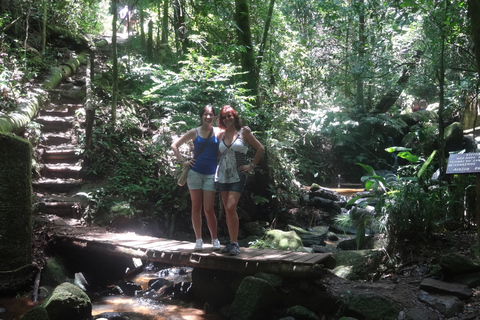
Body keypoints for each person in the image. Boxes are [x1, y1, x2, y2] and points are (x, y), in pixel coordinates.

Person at [215, 105, 265, 255]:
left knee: (231, 207)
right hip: (223, 174)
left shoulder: (244, 132)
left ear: (235, 117)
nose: (227, 119)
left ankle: (235, 243)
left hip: (238, 174)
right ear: (222, 120)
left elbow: (260, 148)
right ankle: (231, 242)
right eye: (224, 117)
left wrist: (251, 166)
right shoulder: (220, 135)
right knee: (227, 210)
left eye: (230, 116)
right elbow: (218, 155)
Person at [171, 105, 221, 251]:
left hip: (211, 174)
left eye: (211, 114)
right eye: (205, 114)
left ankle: (214, 239)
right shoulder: (194, 132)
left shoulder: (218, 132)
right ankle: (198, 239)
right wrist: (183, 161)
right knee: (196, 207)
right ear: (201, 116)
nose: (208, 117)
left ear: (214, 117)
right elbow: (175, 145)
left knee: (209, 209)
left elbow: (232, 135)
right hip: (195, 173)